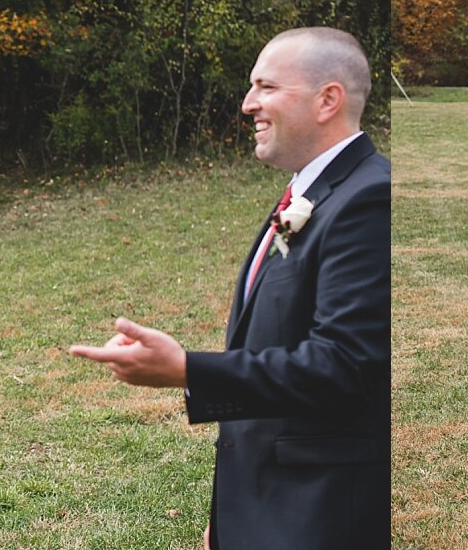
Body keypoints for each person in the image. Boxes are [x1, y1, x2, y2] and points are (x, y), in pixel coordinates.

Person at [69, 27, 391, 547]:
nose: (248, 104)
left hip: (322, 515)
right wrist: (231, 517)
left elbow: (344, 367)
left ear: (327, 99)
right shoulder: (312, 192)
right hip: (268, 503)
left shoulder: (369, 198)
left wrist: (187, 370)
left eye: (265, 87)